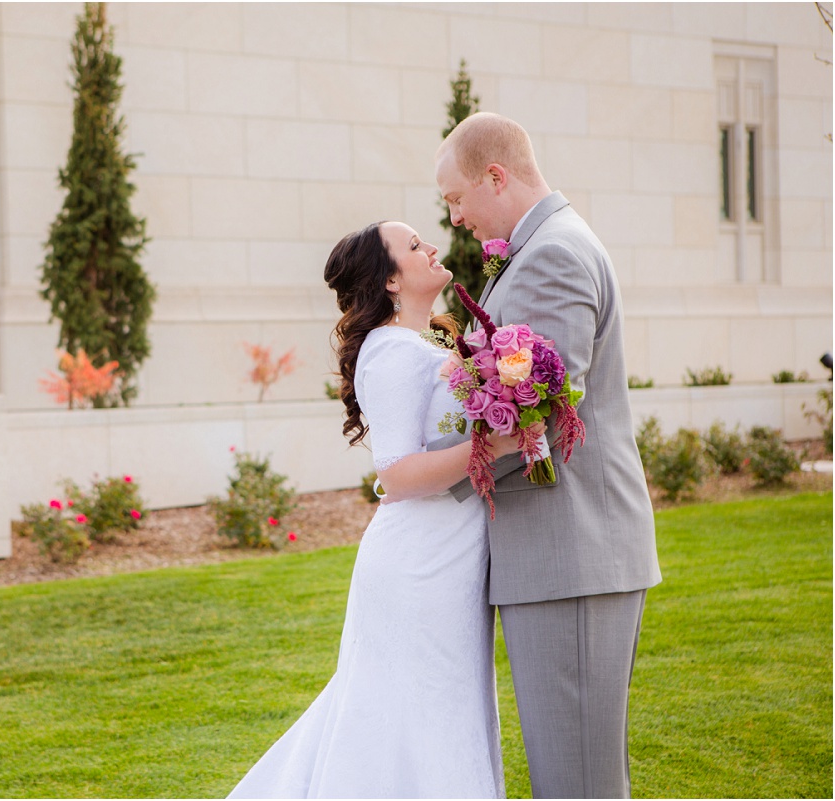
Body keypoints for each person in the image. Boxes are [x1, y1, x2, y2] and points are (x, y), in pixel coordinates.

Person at [228, 221, 540, 799]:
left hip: (450, 559)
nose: (432, 248)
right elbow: (395, 472)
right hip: (419, 565)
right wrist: (492, 446)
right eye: (415, 246)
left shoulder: (431, 344)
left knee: (444, 702)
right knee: (410, 709)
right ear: (392, 279)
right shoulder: (393, 353)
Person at [427, 111, 662, 798]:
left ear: (495, 176)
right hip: (562, 560)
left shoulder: (554, 252)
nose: (456, 216)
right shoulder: (540, 248)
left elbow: (546, 415)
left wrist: (431, 470)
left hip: (572, 558)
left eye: (455, 198)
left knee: (577, 783)